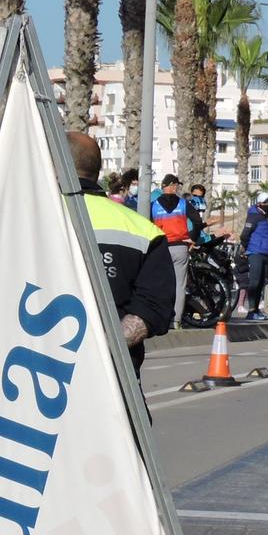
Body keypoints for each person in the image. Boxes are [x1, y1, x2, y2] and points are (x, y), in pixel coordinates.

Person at [69, 133, 172, 374]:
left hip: (35, 377)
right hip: (112, 376)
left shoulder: (27, 218)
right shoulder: (143, 231)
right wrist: (102, 349)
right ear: (97, 171)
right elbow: (154, 308)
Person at [149, 175, 195, 327]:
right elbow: (198, 221)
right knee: (179, 285)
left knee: (160, 284)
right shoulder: (183, 204)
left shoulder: (153, 205)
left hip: (161, 248)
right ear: (173, 186)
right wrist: (192, 238)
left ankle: (161, 317)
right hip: (180, 247)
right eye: (176, 185)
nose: (178, 188)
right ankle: (176, 320)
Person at [238, 190, 268, 320]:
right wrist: (248, 248)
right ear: (259, 203)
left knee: (260, 283)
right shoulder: (254, 216)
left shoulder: (267, 217)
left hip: (266, 253)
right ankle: (251, 311)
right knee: (254, 282)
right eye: (266, 202)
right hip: (256, 253)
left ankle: (256, 311)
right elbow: (244, 235)